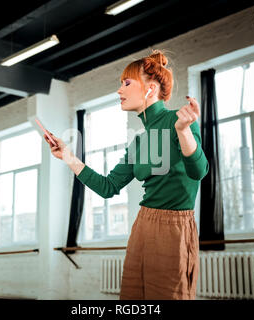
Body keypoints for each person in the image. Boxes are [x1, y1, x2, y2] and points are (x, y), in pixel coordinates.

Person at [43, 49, 209, 300]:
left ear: (150, 89)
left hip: (174, 229)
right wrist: (67, 156)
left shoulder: (179, 120)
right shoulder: (139, 142)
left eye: (126, 83)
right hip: (143, 225)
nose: (119, 90)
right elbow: (108, 187)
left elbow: (198, 171)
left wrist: (184, 132)